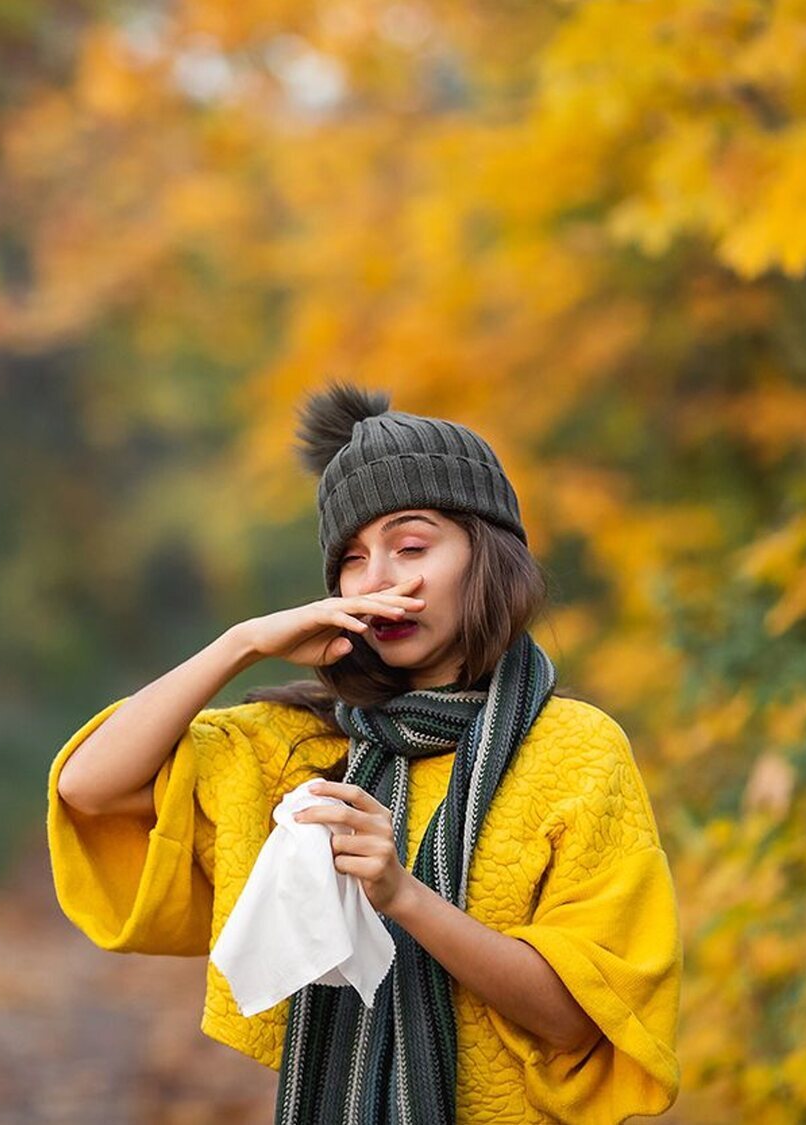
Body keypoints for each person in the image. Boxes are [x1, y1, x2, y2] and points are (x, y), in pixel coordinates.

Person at [46, 382, 682, 1124]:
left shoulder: (577, 750)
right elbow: (89, 786)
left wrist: (403, 896)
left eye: (411, 546)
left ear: (488, 557)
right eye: (352, 559)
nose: (378, 578)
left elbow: (580, 1019)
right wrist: (243, 642)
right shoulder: (302, 745)